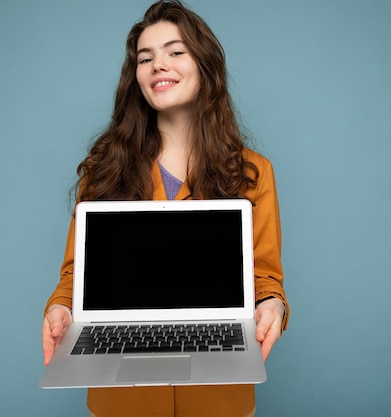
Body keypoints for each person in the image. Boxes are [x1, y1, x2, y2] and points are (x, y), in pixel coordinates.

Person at [41, 1, 289, 416]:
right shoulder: (104, 168)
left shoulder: (253, 172)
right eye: (145, 57)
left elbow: (264, 275)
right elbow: (75, 275)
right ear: (135, 75)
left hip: (219, 392)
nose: (158, 65)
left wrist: (273, 305)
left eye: (175, 52)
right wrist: (60, 307)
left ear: (204, 64)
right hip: (122, 397)